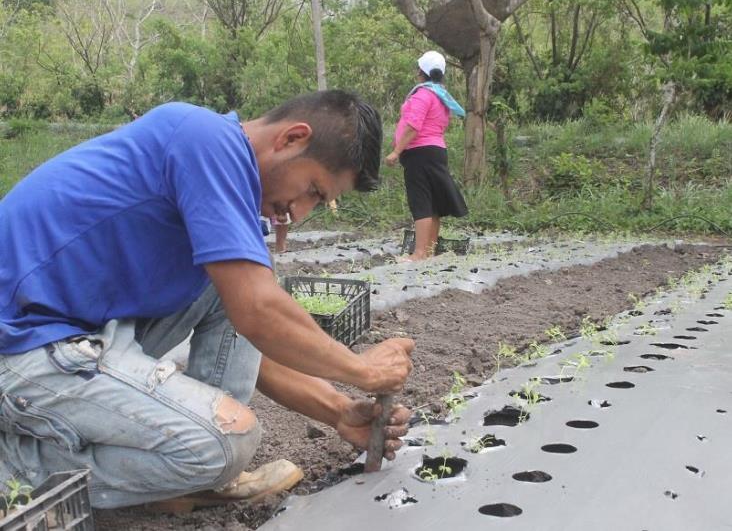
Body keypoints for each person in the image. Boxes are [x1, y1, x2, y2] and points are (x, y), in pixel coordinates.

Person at [0, 91, 415, 510]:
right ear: (291, 139)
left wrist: (339, 409)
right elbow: (258, 313)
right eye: (312, 190)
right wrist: (363, 369)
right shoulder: (206, 140)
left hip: (71, 334)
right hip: (19, 345)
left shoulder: (219, 169)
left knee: (228, 290)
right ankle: (11, 471)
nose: (300, 212)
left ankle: (194, 476)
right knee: (225, 443)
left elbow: (254, 338)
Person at [386, 50, 468, 261]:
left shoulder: (423, 94)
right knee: (433, 205)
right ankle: (428, 252)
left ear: (421, 72)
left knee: (420, 201)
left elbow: (413, 126)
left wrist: (396, 151)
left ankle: (419, 253)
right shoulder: (441, 95)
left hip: (419, 153)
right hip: (436, 151)